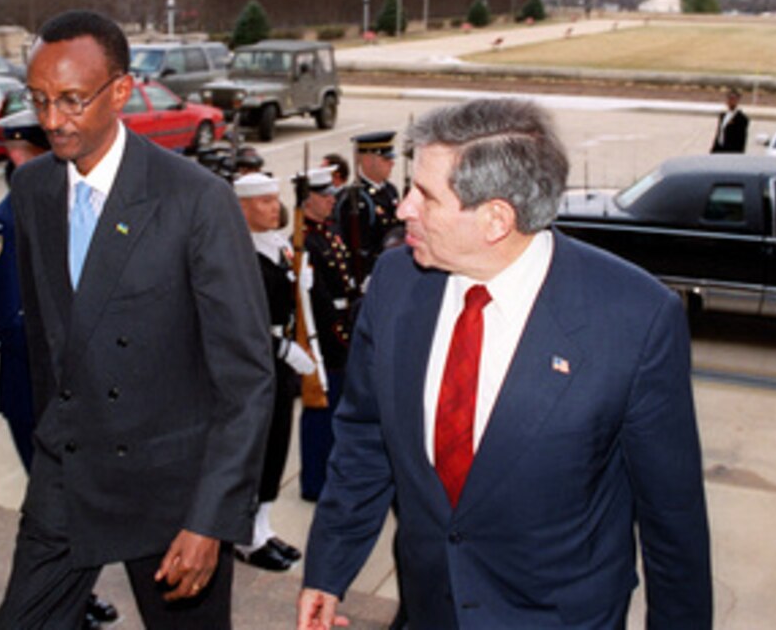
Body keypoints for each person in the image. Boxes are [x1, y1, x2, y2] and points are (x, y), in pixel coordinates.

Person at [298, 98, 712, 629]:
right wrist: (327, 572)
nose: (404, 209)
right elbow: (364, 440)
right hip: (429, 611)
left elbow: (672, 520)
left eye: (425, 195)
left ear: (496, 218)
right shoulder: (397, 285)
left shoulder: (635, 318)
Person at [0, 10, 275, 630]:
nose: (51, 120)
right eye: (38, 99)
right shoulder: (34, 187)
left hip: (171, 492)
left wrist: (211, 519)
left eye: (71, 99)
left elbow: (247, 376)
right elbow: (48, 338)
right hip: (67, 473)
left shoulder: (194, 199)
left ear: (120, 90)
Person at [0, 109, 119, 628]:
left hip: (83, 394)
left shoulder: (75, 213)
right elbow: (10, 322)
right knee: (53, 506)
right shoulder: (5, 223)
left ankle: (75, 594)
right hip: (34, 393)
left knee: (80, 503)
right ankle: (64, 601)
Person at [233, 172, 312, 571]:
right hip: (256, 363)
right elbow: (237, 322)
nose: (273, 207)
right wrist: (282, 348)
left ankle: (261, 525)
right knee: (256, 448)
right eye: (263, 201)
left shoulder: (276, 244)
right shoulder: (240, 253)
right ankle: (243, 534)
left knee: (278, 443)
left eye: (274, 198)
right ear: (242, 208)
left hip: (280, 363)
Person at [294, 165, 357, 502]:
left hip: (340, 329)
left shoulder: (327, 233)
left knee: (337, 408)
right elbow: (313, 299)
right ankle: (314, 481)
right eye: (324, 196)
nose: (332, 201)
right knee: (320, 408)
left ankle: (331, 472)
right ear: (308, 200)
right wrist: (332, 332)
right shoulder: (304, 240)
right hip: (324, 335)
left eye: (332, 195)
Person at [333, 131, 403, 287]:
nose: (392, 163)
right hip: (372, 275)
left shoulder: (390, 190)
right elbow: (355, 246)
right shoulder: (355, 200)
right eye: (386, 159)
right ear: (367, 160)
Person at [711, 87, 749, 153]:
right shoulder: (723, 115)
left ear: (737, 100)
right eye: (729, 98)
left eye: (733, 99)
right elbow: (719, 134)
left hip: (731, 151)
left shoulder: (742, 119)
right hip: (719, 149)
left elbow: (741, 140)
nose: (730, 101)